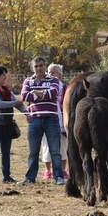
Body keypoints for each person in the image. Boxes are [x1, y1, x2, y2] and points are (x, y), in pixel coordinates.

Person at [21, 57, 65, 185]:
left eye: (41, 65)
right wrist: (43, 94)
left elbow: (54, 93)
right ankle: (30, 178)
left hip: (51, 119)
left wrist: (36, 93)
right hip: (34, 119)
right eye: (36, 66)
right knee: (33, 151)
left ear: (45, 66)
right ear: (32, 68)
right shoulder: (28, 81)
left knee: (55, 150)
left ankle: (58, 177)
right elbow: (24, 96)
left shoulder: (54, 80)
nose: (39, 68)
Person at [0, 65, 27, 183]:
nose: (5, 77)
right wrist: (14, 102)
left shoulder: (6, 90)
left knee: (6, 152)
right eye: (3, 74)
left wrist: (27, 113)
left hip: (6, 124)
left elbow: (17, 103)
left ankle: (6, 176)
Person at [40, 63, 67, 180]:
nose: (50, 74)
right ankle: (47, 170)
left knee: (63, 145)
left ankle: (63, 170)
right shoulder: (44, 84)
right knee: (46, 144)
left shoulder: (65, 87)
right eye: (49, 72)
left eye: (53, 72)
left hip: (61, 119)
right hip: (47, 117)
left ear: (59, 74)